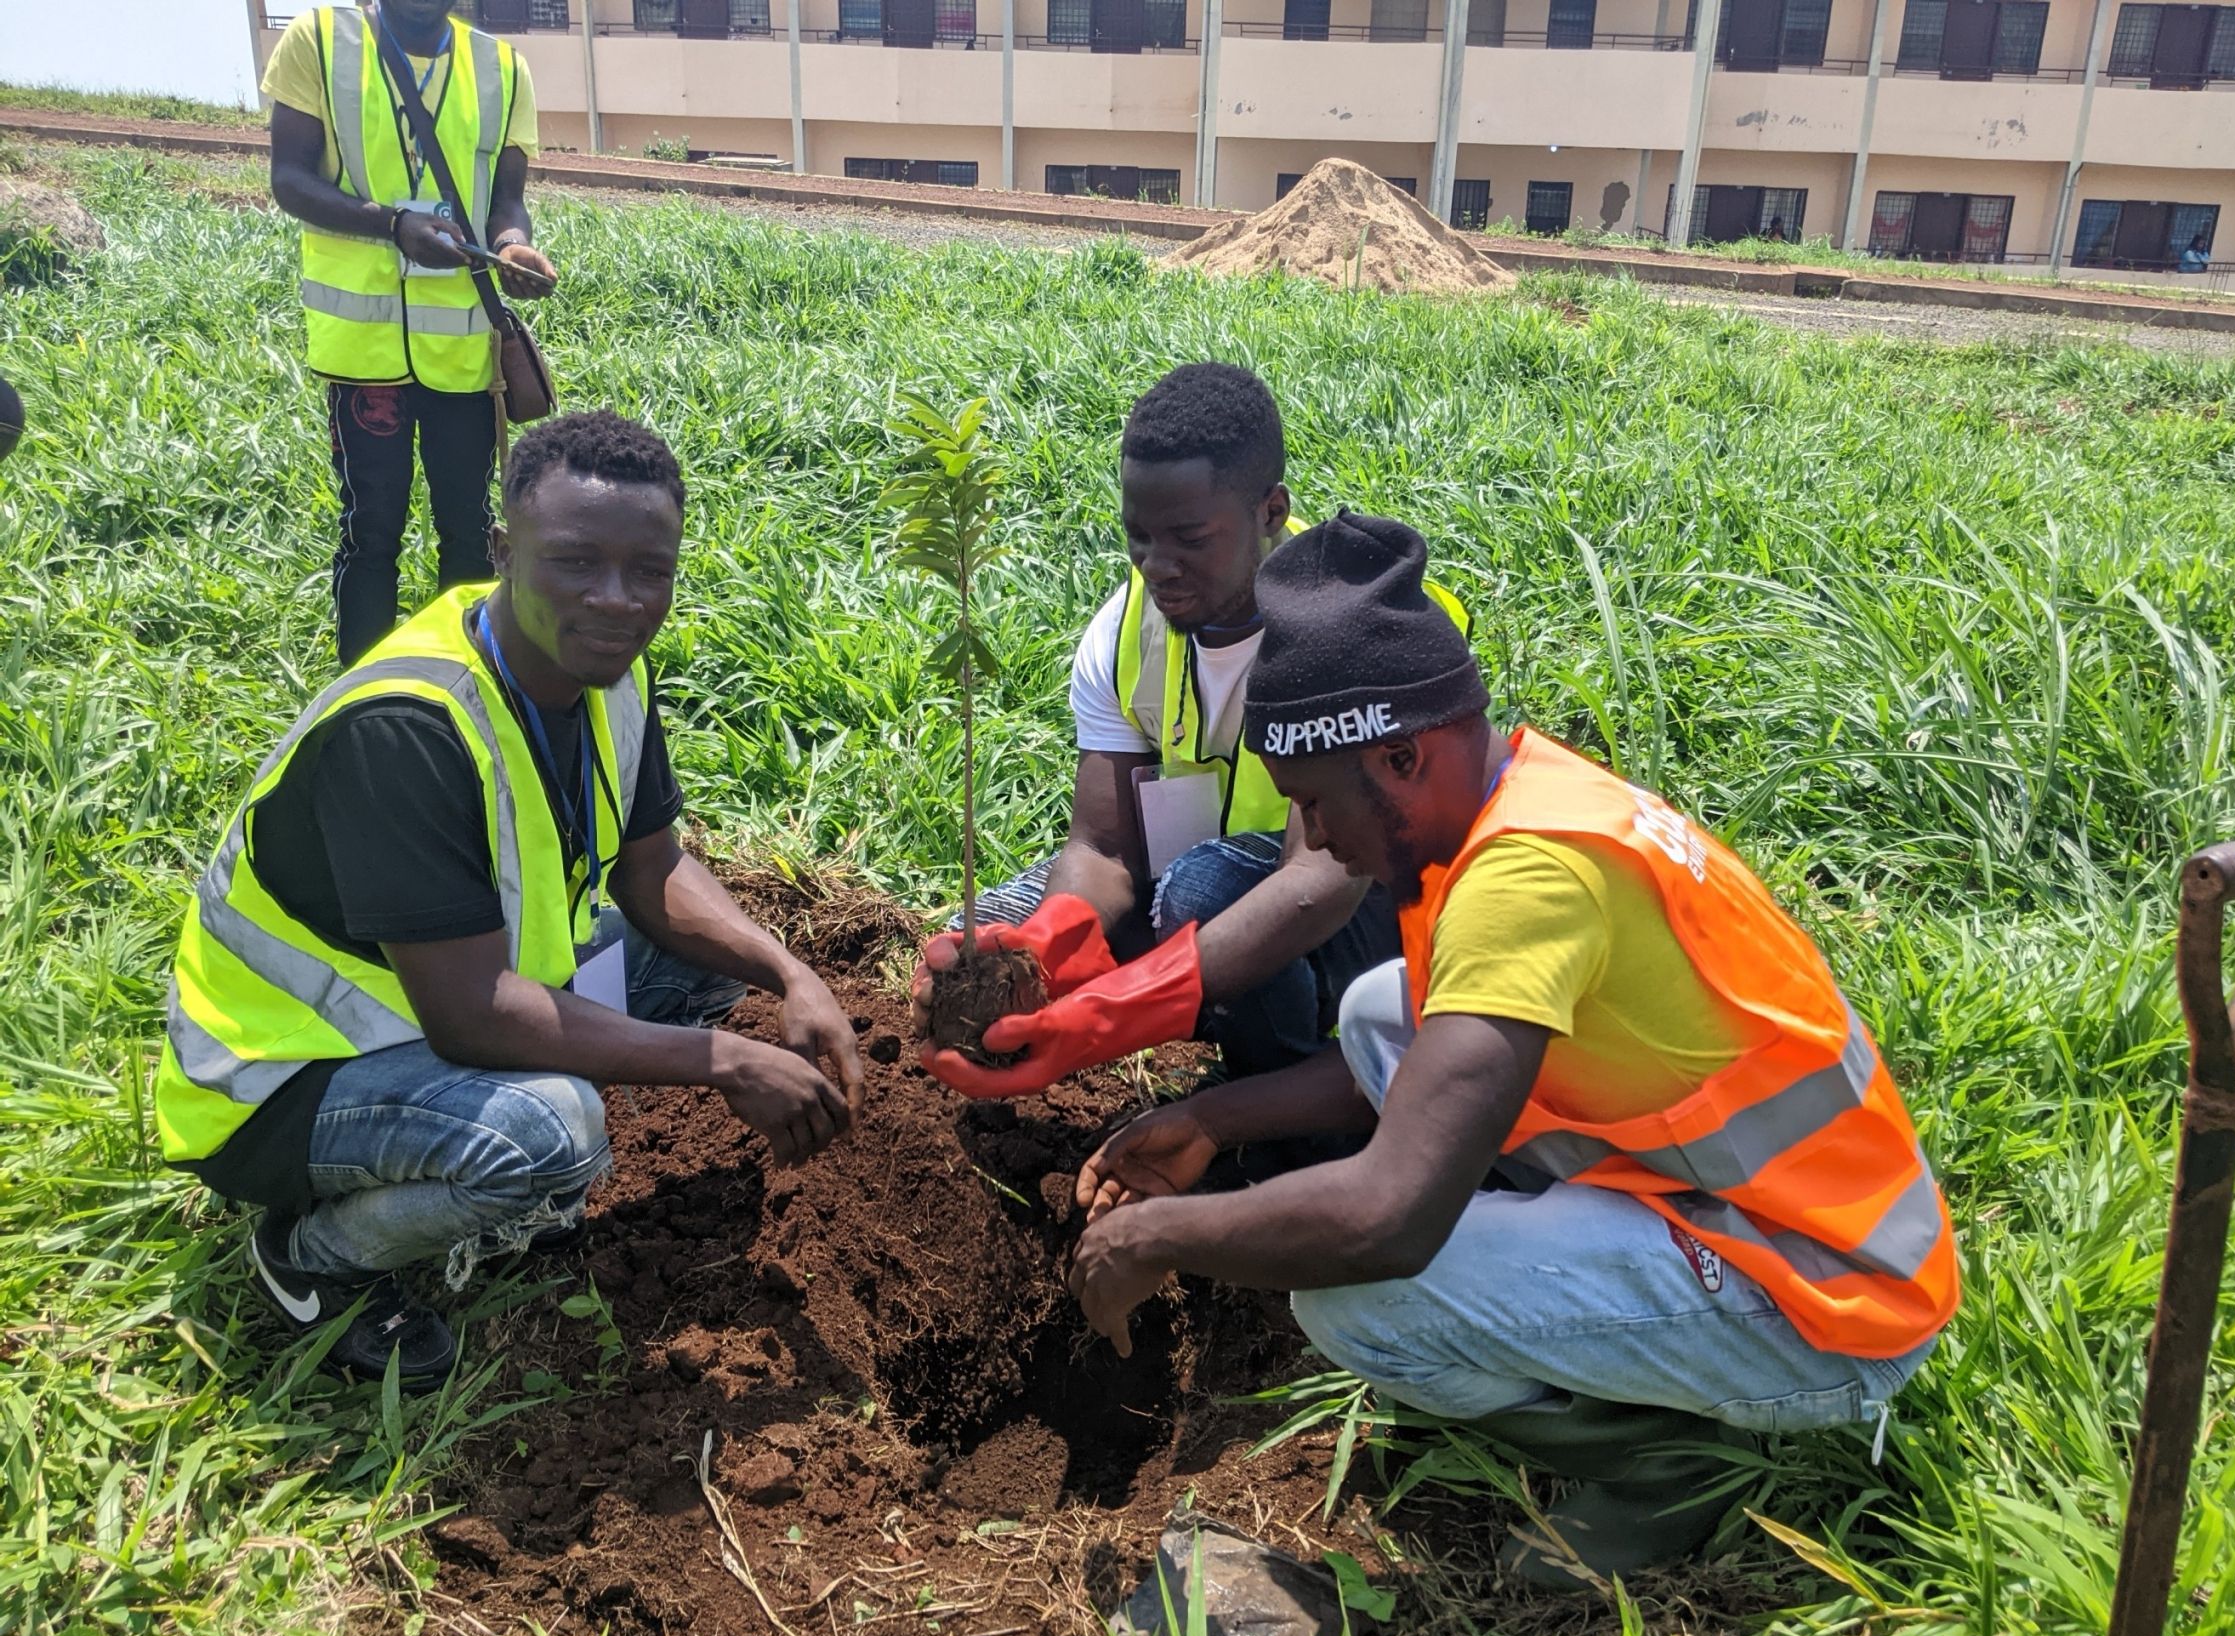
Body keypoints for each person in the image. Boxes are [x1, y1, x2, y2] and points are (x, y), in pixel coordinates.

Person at [1065, 512, 1957, 1582]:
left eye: (1317, 809)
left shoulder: (1532, 879)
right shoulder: (1512, 794)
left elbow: (1385, 1223)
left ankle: (1671, 1466)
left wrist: (1158, 1236)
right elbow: (1415, 1069)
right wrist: (1207, 1120)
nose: (1320, 845)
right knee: (1382, 1013)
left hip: (1825, 1299)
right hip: (1734, 1198)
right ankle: (1596, 1326)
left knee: (1357, 1307)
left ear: (1402, 755)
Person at [156, 412, 864, 1391]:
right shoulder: (408, 726)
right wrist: (725, 1062)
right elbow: (474, 1014)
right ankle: (313, 1255)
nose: (616, 601)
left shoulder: (603, 670)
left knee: (694, 972)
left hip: (432, 993)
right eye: (576, 562)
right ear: (502, 552)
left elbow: (653, 870)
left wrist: (787, 972)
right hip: (280, 1080)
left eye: (648, 570)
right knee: (551, 1135)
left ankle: (498, 1143)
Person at [914, 363, 1467, 1098]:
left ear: (1271, 512)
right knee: (984, 936)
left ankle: (1278, 1087)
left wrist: (1124, 1009)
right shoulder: (1126, 630)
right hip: (1188, 888)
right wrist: (1055, 938)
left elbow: (1322, 879)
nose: (1156, 566)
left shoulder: (1339, 630)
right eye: (1138, 537)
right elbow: (1103, 846)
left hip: (1355, 902)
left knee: (1199, 888)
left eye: (1188, 538)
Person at [264, 0, 558, 666]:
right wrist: (392, 225)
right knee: (371, 535)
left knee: (469, 533)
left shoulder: (502, 68)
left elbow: (506, 201)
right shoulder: (319, 39)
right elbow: (290, 179)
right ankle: (363, 706)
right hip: (365, 354)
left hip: (460, 351)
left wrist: (512, 246)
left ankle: (468, 691)